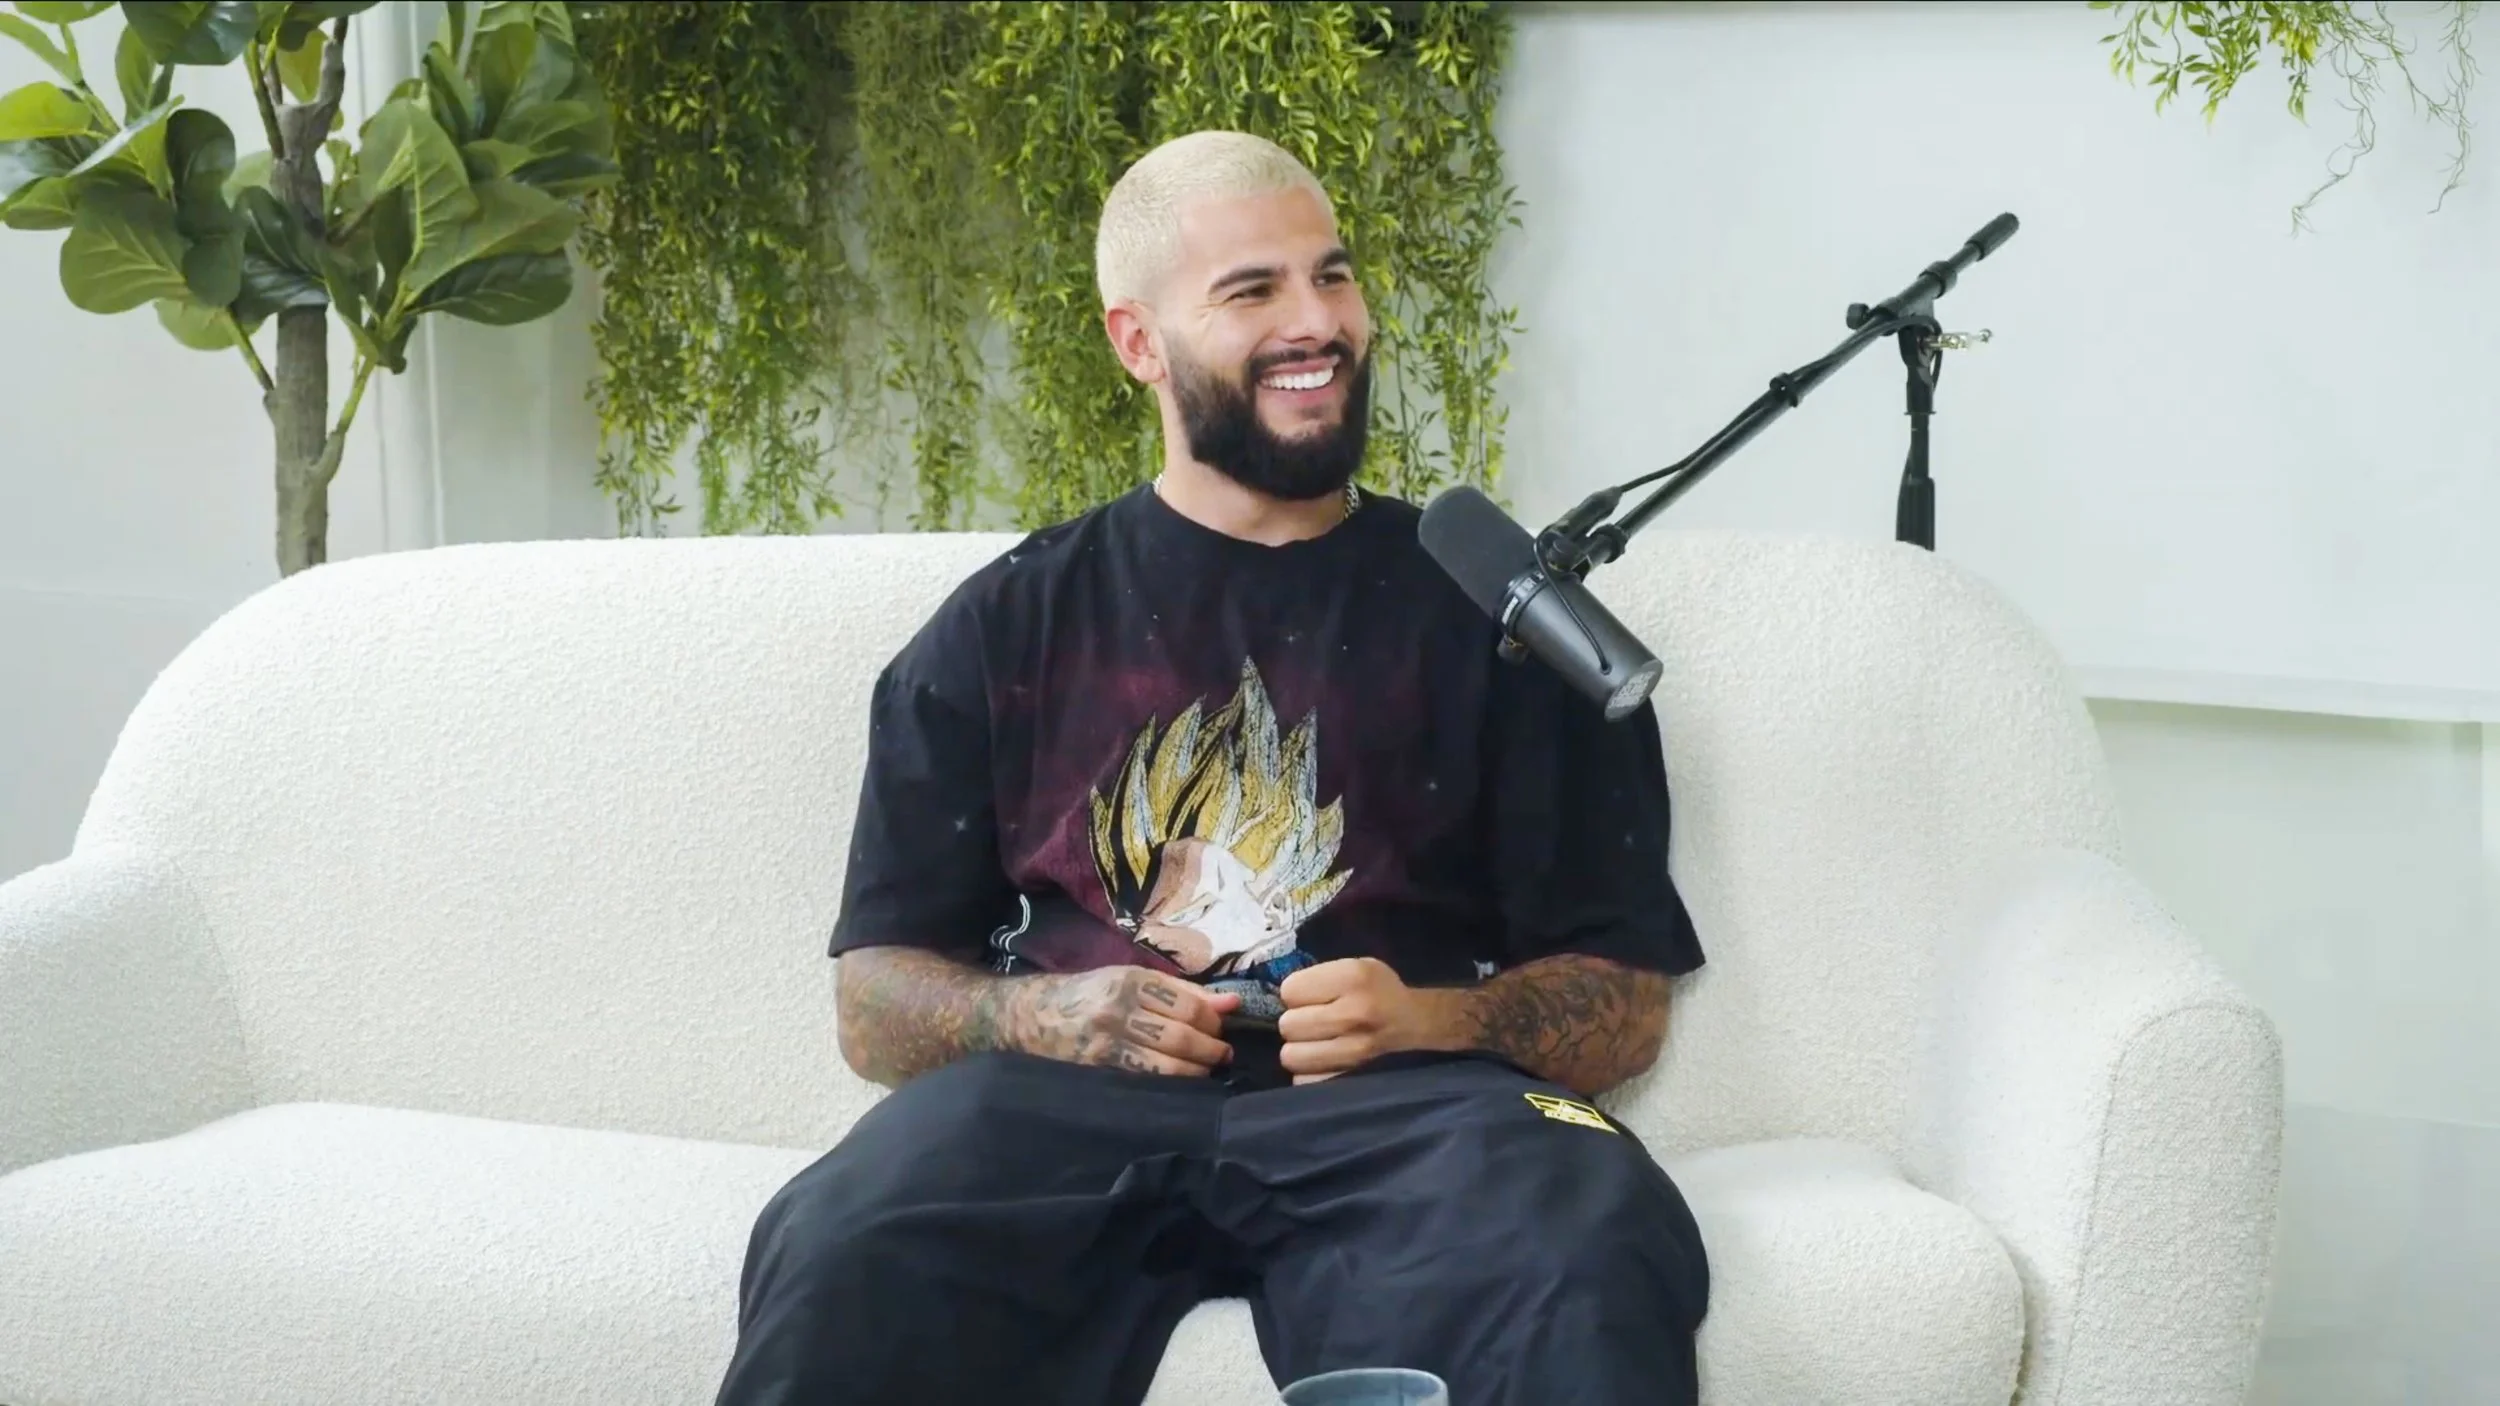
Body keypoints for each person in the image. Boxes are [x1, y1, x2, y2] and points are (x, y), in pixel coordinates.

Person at [714, 129, 1711, 1406]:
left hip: (1413, 1112)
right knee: (845, 1238)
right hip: (1056, 1108)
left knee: (1587, 1219)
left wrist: (1435, 1017)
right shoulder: (1000, 626)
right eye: (1253, 291)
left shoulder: (1499, 618)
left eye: (1333, 276)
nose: (1319, 322)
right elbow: (873, 1001)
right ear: (1139, 342)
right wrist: (1035, 1015)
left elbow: (1621, 997)